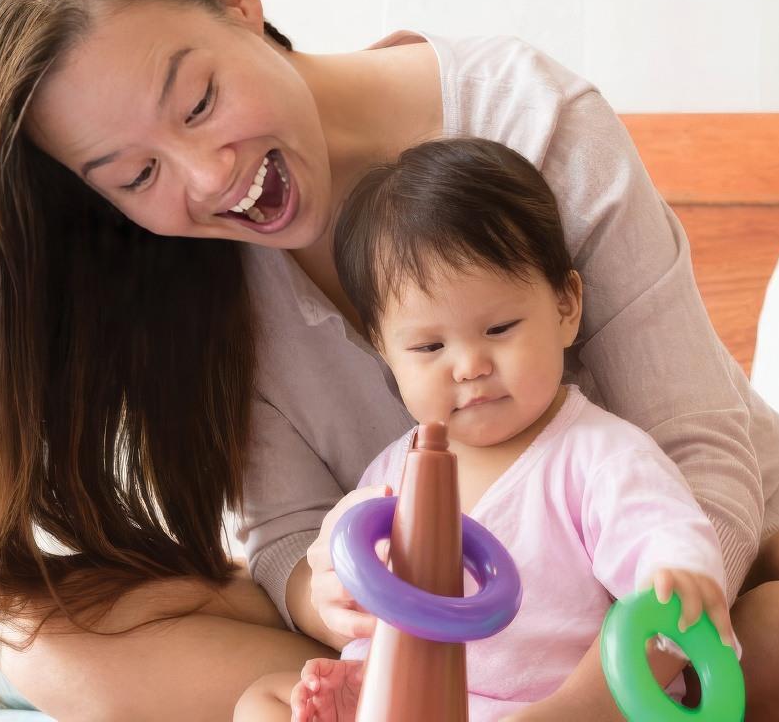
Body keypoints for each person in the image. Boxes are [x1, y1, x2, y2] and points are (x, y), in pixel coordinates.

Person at [0, 0, 779, 719]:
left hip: (685, 573)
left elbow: (701, 456)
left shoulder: (528, 117)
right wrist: (327, 594)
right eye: (133, 171)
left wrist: (611, 661)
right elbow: (292, 536)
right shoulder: (192, 262)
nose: (209, 175)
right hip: (445, 635)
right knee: (44, 640)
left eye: (199, 100)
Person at [234, 137, 739, 722]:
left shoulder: (599, 456)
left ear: (566, 306)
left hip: (547, 708)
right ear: (385, 350)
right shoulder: (389, 477)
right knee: (262, 702)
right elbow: (379, 609)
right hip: (421, 701)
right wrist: (358, 675)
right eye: (429, 345)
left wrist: (676, 572)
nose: (469, 365)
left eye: (499, 328)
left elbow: (664, 542)